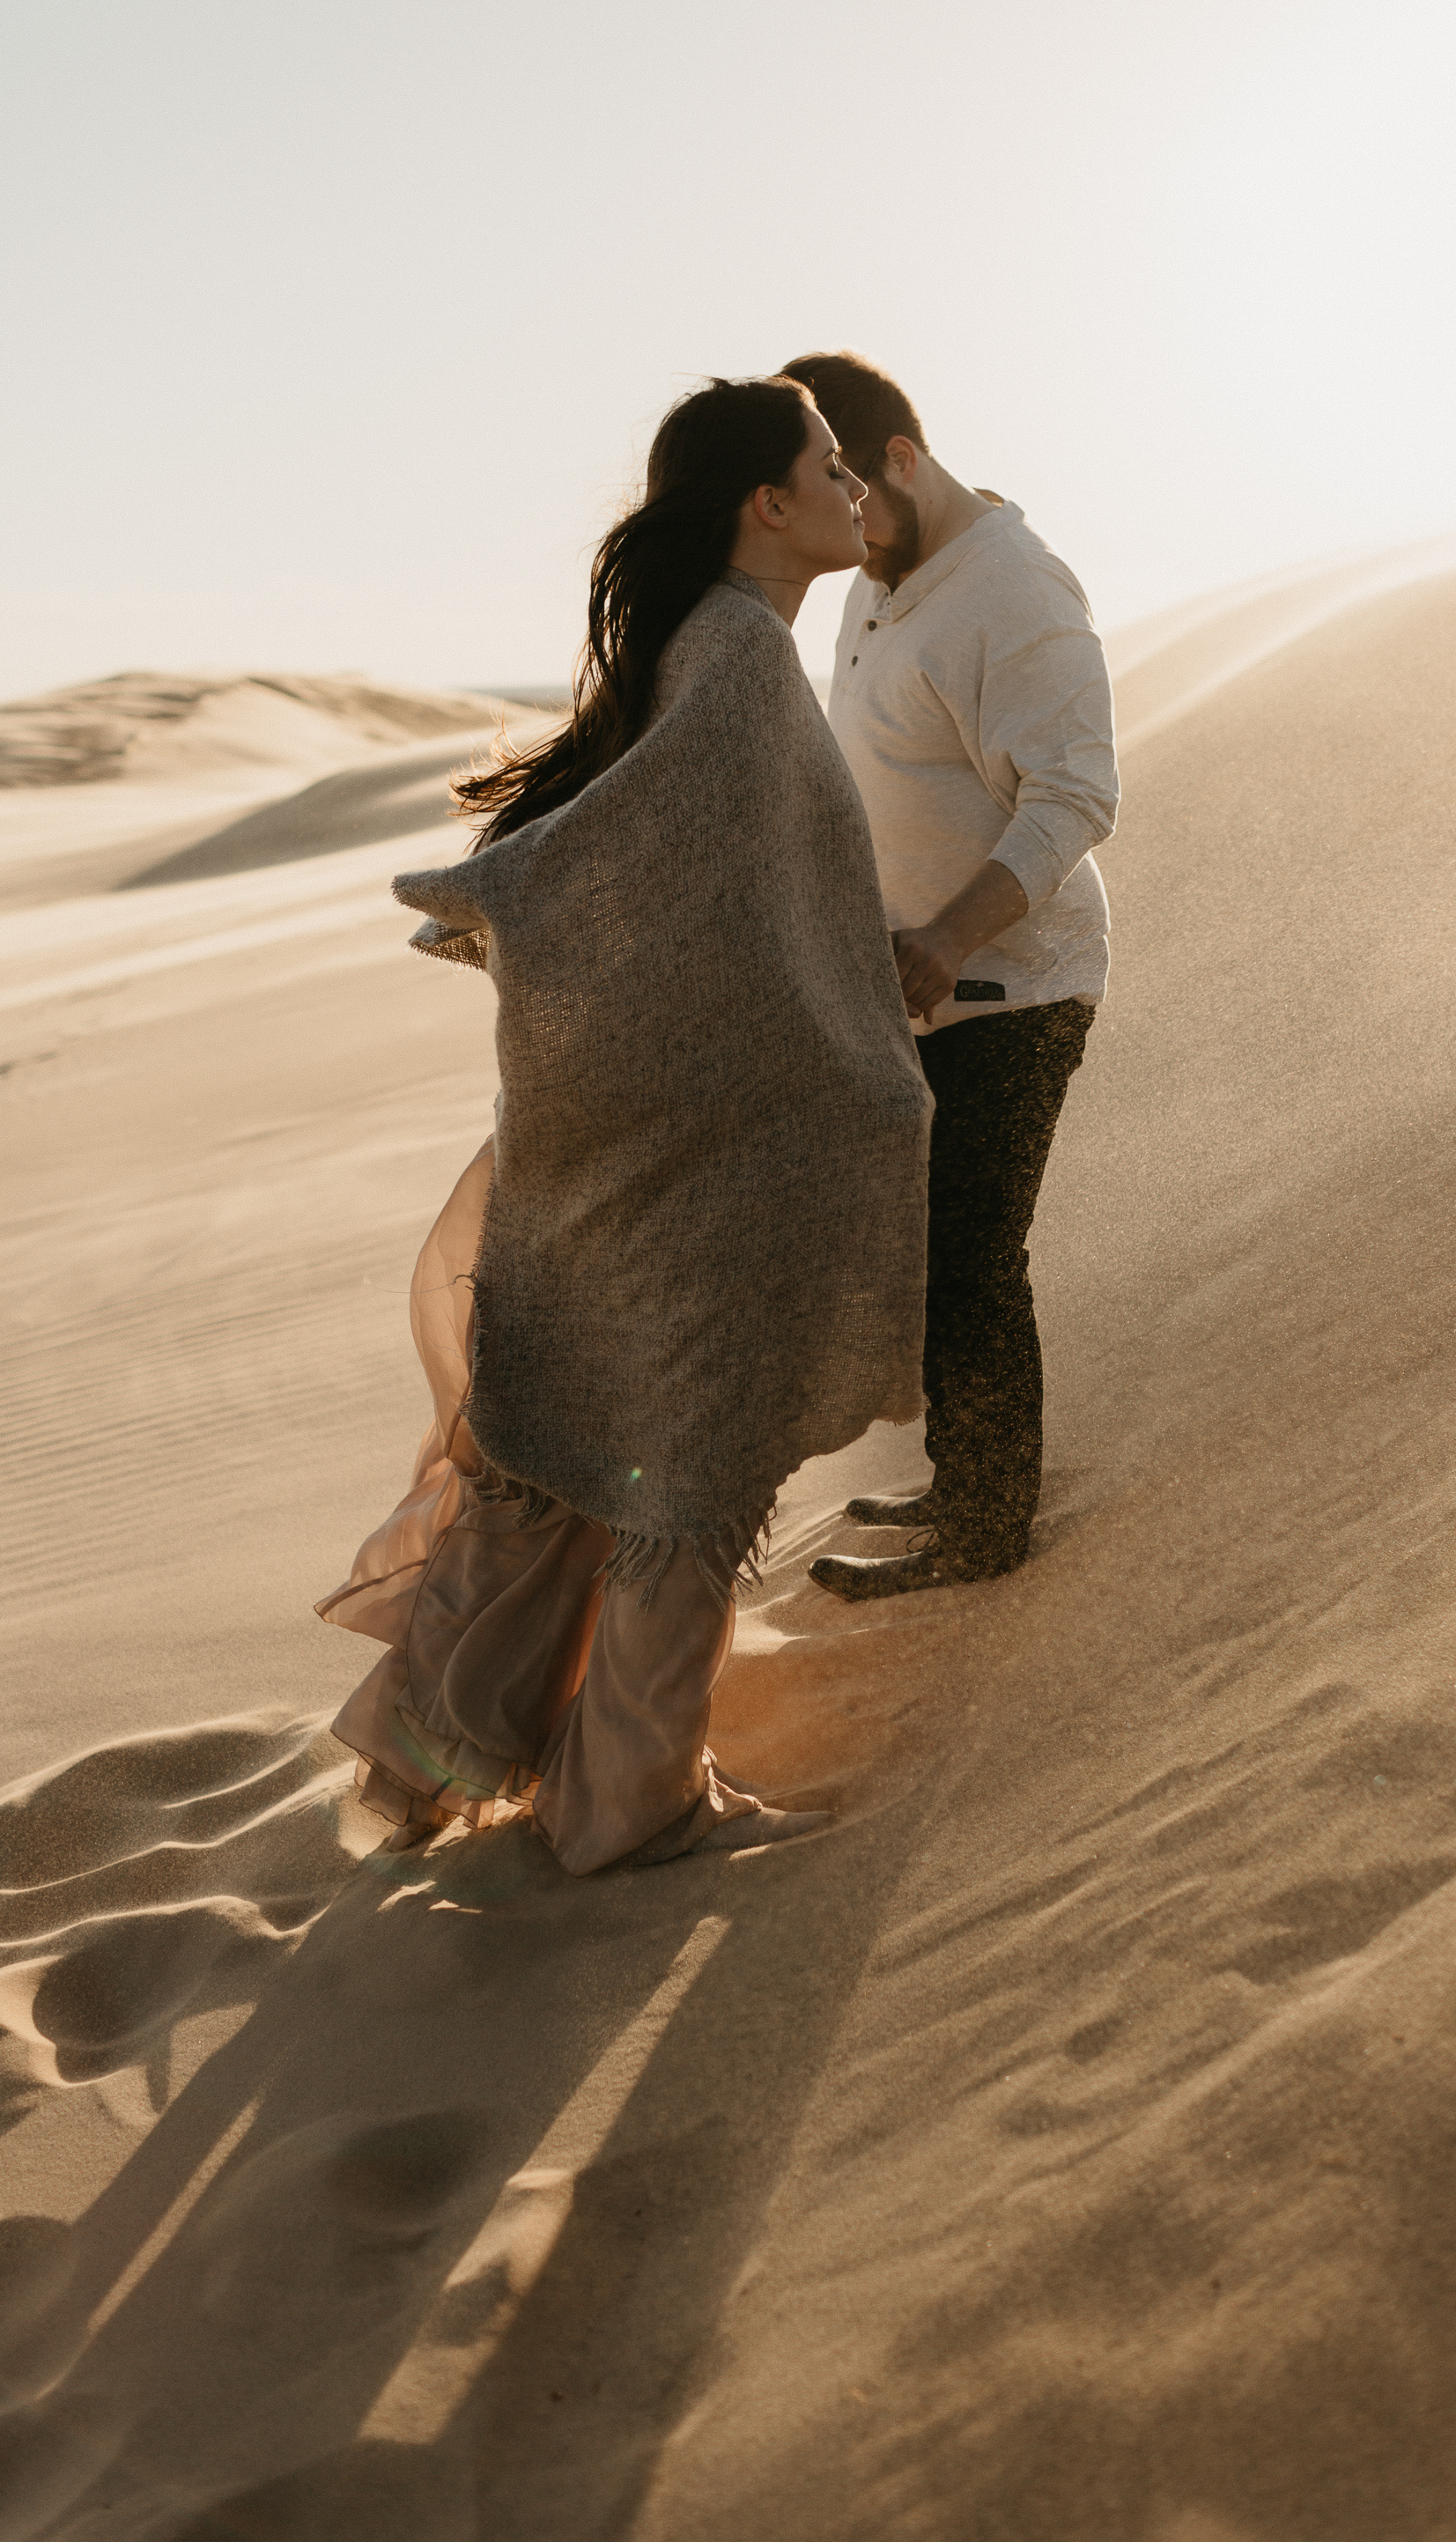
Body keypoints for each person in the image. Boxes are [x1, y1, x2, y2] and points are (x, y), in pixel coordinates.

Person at [317, 377, 932, 1870]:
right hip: (695, 1170)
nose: (855, 486)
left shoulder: (719, 647)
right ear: (763, 507)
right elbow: (622, 871)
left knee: (567, 1470)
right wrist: (494, 897)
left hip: (642, 1157)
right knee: (691, 1480)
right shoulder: (734, 658)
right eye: (826, 466)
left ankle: (441, 1764)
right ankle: (630, 1805)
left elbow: (702, 896)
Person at [779, 351, 1119, 1600]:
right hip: (905, 986)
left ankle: (985, 1531)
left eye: (853, 496)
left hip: (1015, 989)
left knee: (974, 1259)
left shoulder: (1014, 592)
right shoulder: (887, 571)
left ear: (905, 463)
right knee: (924, 1257)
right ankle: (961, 1474)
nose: (844, 531)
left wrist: (947, 939)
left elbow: (1078, 796)